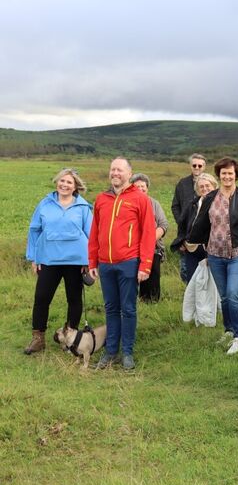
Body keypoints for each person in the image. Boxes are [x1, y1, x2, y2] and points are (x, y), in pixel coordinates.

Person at [88, 157, 156, 370]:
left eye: (119, 170)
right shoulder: (101, 199)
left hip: (129, 262)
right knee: (110, 308)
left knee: (128, 309)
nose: (115, 173)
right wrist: (93, 260)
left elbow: (148, 234)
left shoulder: (140, 199)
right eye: (112, 169)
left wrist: (145, 265)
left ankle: (127, 352)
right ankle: (110, 351)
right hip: (105, 263)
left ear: (129, 173)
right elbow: (95, 232)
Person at [188, 157, 238, 355]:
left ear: (236, 175)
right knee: (225, 297)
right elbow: (202, 222)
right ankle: (228, 330)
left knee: (233, 293)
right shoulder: (210, 197)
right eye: (224, 173)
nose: (227, 176)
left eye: (230, 173)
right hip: (215, 255)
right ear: (219, 175)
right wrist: (193, 241)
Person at [25, 168, 93, 354]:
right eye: (61, 181)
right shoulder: (45, 204)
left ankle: (71, 340)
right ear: (57, 182)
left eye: (69, 182)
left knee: (74, 299)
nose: (64, 184)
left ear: (75, 186)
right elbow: (34, 230)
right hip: (48, 259)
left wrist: (90, 260)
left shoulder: (83, 207)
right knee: (41, 298)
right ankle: (38, 339)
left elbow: (91, 234)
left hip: (76, 261)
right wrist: (34, 257)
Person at [170, 173, 219, 283]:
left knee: (211, 284)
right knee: (192, 281)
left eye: (207, 185)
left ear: (214, 186)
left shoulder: (220, 203)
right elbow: (183, 224)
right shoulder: (192, 204)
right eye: (201, 187)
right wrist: (182, 241)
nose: (205, 189)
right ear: (197, 189)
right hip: (192, 249)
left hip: (213, 251)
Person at [130, 173, 169, 303]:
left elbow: (163, 225)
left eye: (143, 186)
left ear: (147, 188)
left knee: (151, 281)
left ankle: (151, 306)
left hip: (153, 247)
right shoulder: (127, 203)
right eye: (137, 187)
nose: (140, 189)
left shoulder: (154, 203)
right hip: (131, 249)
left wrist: (148, 241)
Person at [172, 153, 207, 282]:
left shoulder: (209, 183)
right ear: (190, 166)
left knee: (207, 271)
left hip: (206, 238)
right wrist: (181, 221)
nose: (197, 167)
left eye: (200, 165)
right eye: (194, 165)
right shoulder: (182, 183)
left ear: (204, 166)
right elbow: (175, 206)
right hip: (186, 235)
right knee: (186, 271)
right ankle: (190, 297)